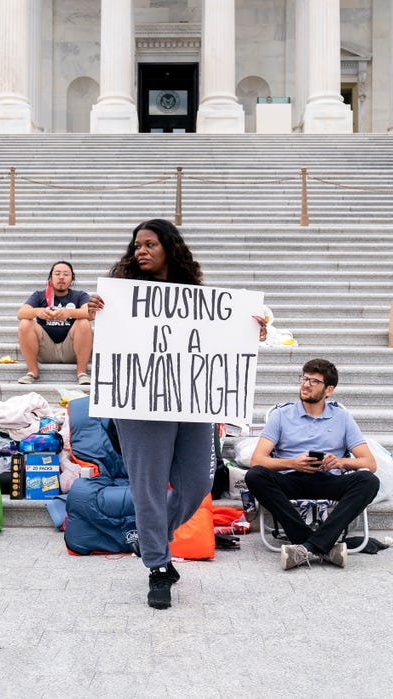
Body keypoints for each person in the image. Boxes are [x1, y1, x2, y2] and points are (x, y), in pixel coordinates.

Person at [87, 219, 266, 610]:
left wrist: (251, 332)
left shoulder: (197, 299)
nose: (141, 251)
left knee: (198, 483)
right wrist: (96, 316)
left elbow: (227, 338)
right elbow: (109, 344)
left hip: (190, 402)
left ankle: (150, 538)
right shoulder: (119, 299)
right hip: (138, 406)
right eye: (137, 245)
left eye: (150, 244)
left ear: (170, 248)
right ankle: (157, 567)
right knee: (147, 490)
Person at [245, 358, 379, 571]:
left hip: (328, 479)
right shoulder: (281, 415)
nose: (306, 384)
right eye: (304, 378)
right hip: (291, 478)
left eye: (314, 381)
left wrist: (341, 462)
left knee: (368, 481)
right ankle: (322, 545)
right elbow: (257, 460)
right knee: (255, 475)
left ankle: (307, 547)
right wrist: (293, 463)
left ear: (329, 390)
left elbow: (369, 463)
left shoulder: (342, 417)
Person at [16, 261, 93, 385]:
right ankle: (32, 372)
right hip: (46, 349)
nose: (61, 277)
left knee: (84, 322)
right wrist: (38, 311)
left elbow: (90, 313)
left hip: (71, 349)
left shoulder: (80, 295)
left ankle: (82, 372)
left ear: (72, 278)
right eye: (57, 273)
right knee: (25, 323)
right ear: (50, 277)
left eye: (66, 274)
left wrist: (70, 313)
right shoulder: (39, 295)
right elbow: (21, 313)